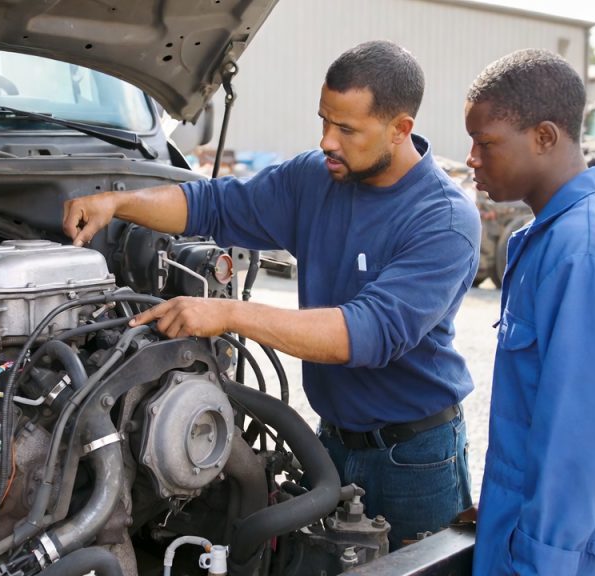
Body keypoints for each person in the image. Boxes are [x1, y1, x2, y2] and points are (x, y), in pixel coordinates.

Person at [63, 40, 481, 549]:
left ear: (400, 130)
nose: (327, 140)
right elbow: (212, 205)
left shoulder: (444, 218)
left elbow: (367, 334)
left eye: (347, 129)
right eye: (324, 120)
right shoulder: (316, 178)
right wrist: (118, 202)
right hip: (331, 441)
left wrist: (228, 313)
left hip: (414, 457)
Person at [464, 49, 595, 575]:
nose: (471, 158)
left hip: (573, 551)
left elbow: (585, 441)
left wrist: (540, 554)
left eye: (486, 142)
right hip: (561, 528)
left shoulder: (586, 250)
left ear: (545, 137)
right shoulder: (562, 234)